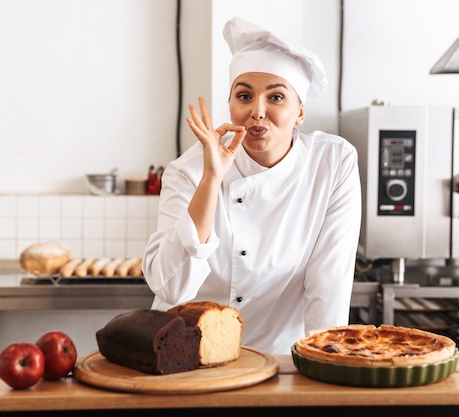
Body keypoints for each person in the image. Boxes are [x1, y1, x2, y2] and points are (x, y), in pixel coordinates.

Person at [142, 16, 361, 355]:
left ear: (300, 111)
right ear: (231, 104)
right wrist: (211, 181)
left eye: (276, 98)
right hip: (186, 356)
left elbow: (328, 283)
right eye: (244, 96)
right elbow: (170, 288)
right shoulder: (190, 170)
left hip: (279, 360)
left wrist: (326, 371)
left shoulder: (332, 163)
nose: (257, 112)